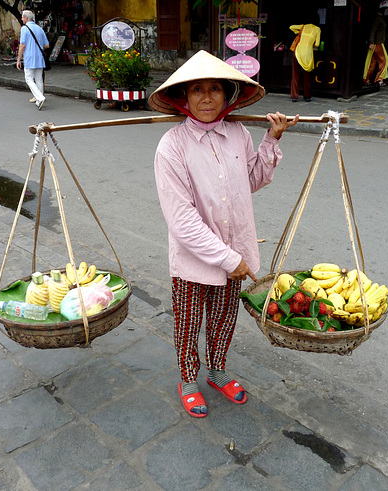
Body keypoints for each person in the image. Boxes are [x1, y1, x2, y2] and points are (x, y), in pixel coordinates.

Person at [148, 50, 299, 418]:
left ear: (228, 94)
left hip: (236, 252)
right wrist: (229, 259)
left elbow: (250, 181)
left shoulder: (237, 133)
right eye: (196, 90)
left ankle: (216, 371)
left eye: (214, 89)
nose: (205, 98)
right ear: (183, 97)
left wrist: (271, 141)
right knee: (188, 322)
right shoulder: (172, 146)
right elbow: (181, 219)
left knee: (223, 318)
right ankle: (187, 379)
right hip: (194, 261)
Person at [16, 10, 49, 110]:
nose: (22, 19)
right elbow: (46, 45)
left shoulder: (24, 28)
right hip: (40, 58)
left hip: (30, 58)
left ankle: (40, 97)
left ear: (26, 18)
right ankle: (39, 100)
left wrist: (18, 59)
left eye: (22, 17)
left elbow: (22, 45)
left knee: (29, 79)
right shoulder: (39, 29)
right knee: (39, 79)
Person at [364, 1, 388, 87]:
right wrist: (372, 42)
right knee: (385, 61)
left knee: (372, 62)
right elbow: (373, 31)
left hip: (376, 43)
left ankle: (366, 79)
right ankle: (379, 79)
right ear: (383, 9)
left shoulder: (381, 18)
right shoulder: (378, 18)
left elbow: (383, 32)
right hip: (378, 44)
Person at [289, 22, 321, 102]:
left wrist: (300, 31)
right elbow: (317, 44)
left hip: (297, 52)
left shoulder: (304, 26)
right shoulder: (317, 29)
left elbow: (291, 27)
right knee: (307, 76)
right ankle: (307, 96)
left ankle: (294, 96)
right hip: (307, 53)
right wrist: (311, 44)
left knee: (295, 74)